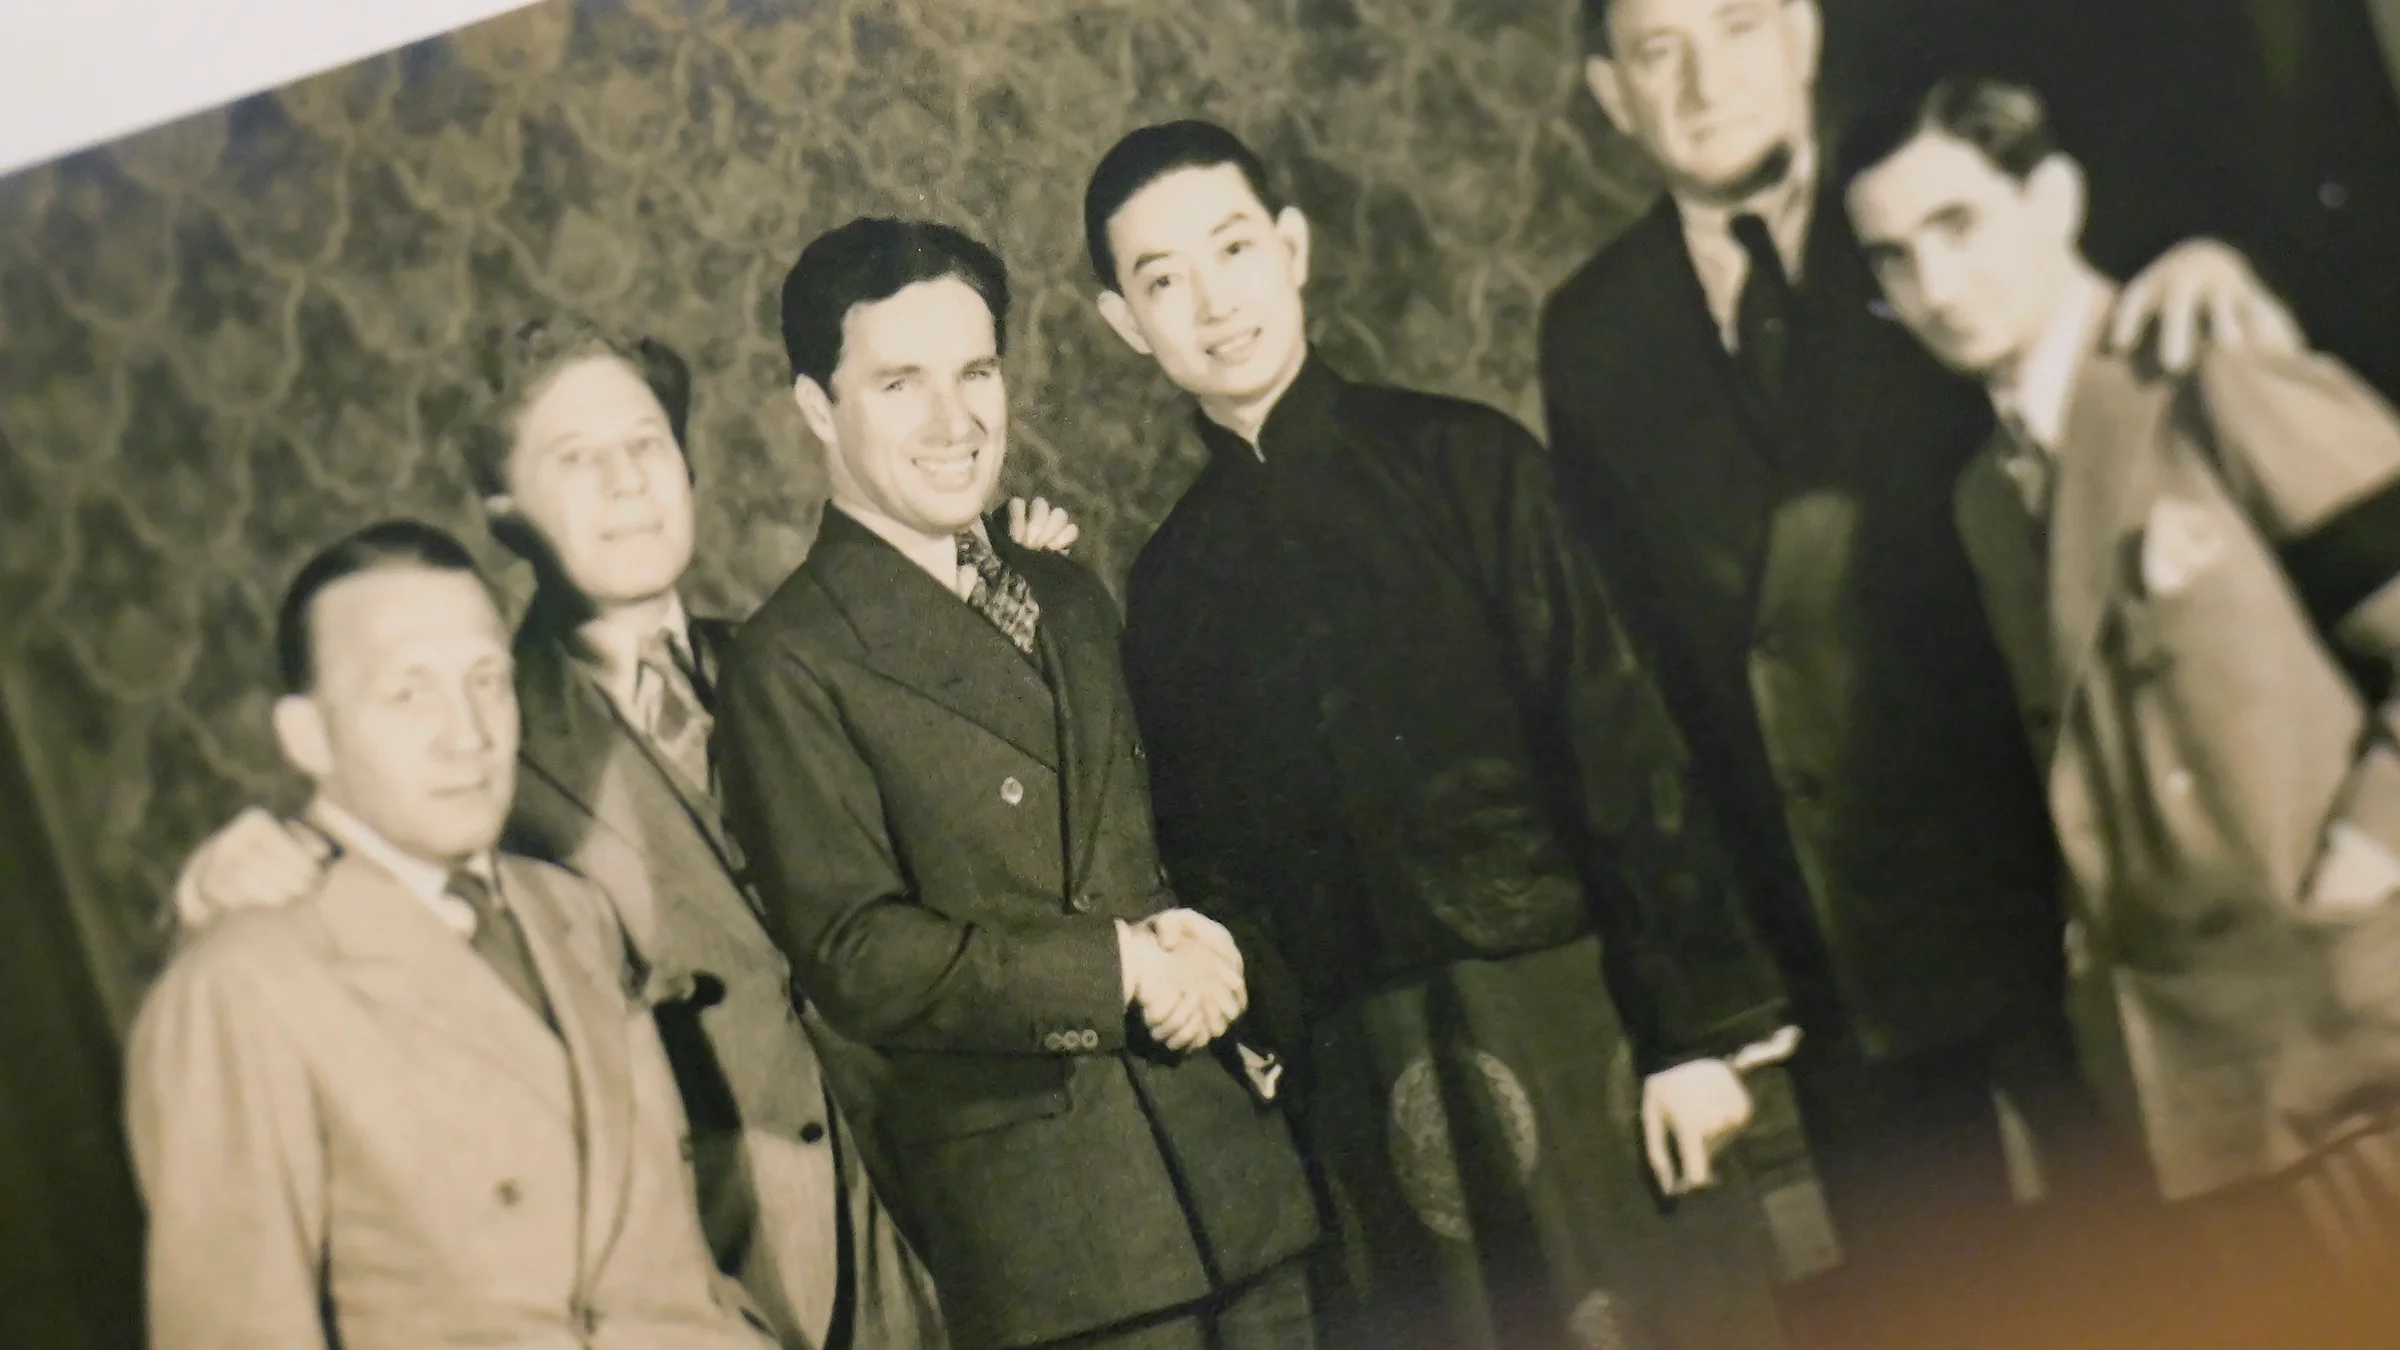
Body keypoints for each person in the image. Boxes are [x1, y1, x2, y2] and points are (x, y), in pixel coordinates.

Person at [1539, 0, 2305, 1337]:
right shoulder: (1593, 333)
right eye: (1660, 50)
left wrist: (2186, 260)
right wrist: (1710, 990)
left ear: (1804, 32)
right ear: (1611, 97)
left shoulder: (1941, 218)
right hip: (1834, 954)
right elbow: (1638, 675)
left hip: (2058, 904)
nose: (1707, 77)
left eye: (1735, 24)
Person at [170, 318, 1078, 1349]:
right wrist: (256, 866)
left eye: (646, 445)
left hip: (959, 1224)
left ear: (688, 467)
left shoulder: (809, 664)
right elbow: (388, 899)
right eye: (574, 458)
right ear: (506, 513)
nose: (626, 483)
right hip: (723, 1278)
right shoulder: (474, 745)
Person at [1085, 119, 1799, 1350]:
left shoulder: (1470, 465)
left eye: (1234, 248)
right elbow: (1213, 866)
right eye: (1162, 280)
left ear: (1294, 248)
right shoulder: (1169, 589)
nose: (1212, 303)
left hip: (1584, 1028)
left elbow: (1625, 750)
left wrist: (1697, 1040)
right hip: (1371, 1105)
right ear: (1121, 323)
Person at [1841, 73, 2400, 1347]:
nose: (1936, 287)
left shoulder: (2212, 370)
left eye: (1960, 227)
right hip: (2195, 1097)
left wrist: (2360, 865)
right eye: (1895, 260)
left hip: (2363, 1052)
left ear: (2053, 197)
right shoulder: (1987, 496)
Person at [712, 216, 1321, 1350]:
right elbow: (860, 959)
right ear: (815, 409)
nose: (956, 422)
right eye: (900, 382)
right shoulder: (790, 660)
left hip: (1238, 1187)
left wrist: (1212, 948)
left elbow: (1162, 836)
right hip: (1066, 1249)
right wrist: (1119, 970)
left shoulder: (1066, 593)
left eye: (977, 371)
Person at [126, 519, 781, 1350]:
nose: (466, 732)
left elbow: (664, 1269)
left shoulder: (570, 911)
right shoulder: (241, 986)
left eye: (486, 680)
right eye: (408, 692)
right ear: (307, 736)